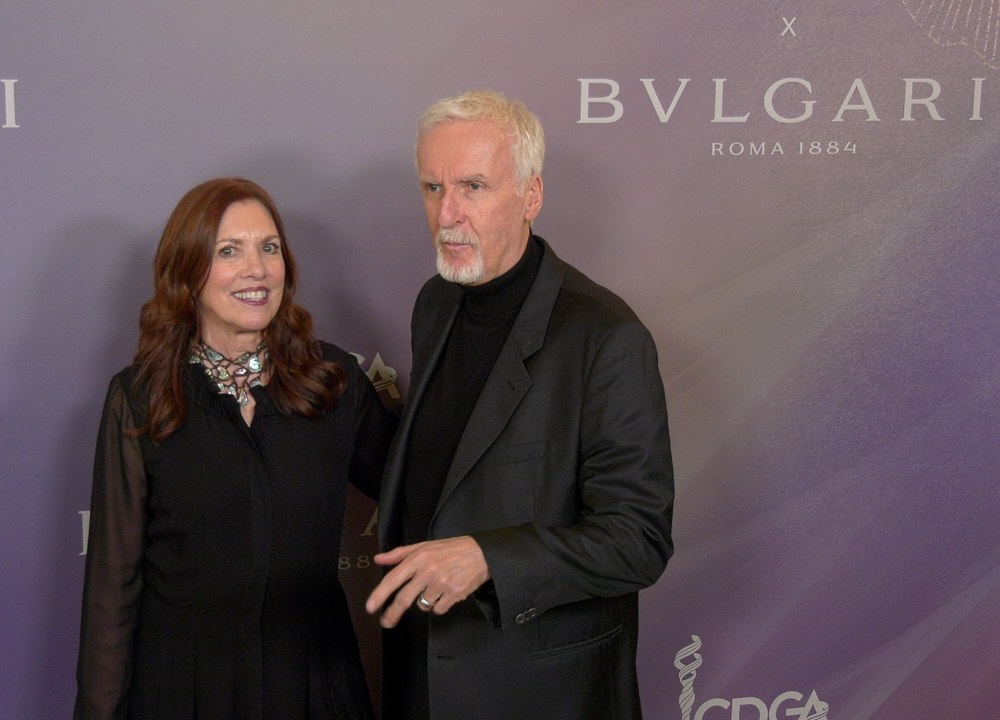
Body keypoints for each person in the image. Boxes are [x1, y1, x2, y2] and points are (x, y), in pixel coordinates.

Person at [365, 91, 674, 719]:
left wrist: (486, 558)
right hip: (422, 673)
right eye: (432, 187)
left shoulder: (607, 339)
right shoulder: (436, 302)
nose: (447, 214)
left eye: (473, 186)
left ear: (531, 196)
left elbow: (638, 538)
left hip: (539, 693)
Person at [76, 177, 394, 720]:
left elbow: (423, 487)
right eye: (229, 251)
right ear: (188, 271)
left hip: (315, 686)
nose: (257, 269)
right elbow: (112, 590)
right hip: (184, 691)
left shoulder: (334, 381)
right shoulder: (141, 399)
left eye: (269, 248)